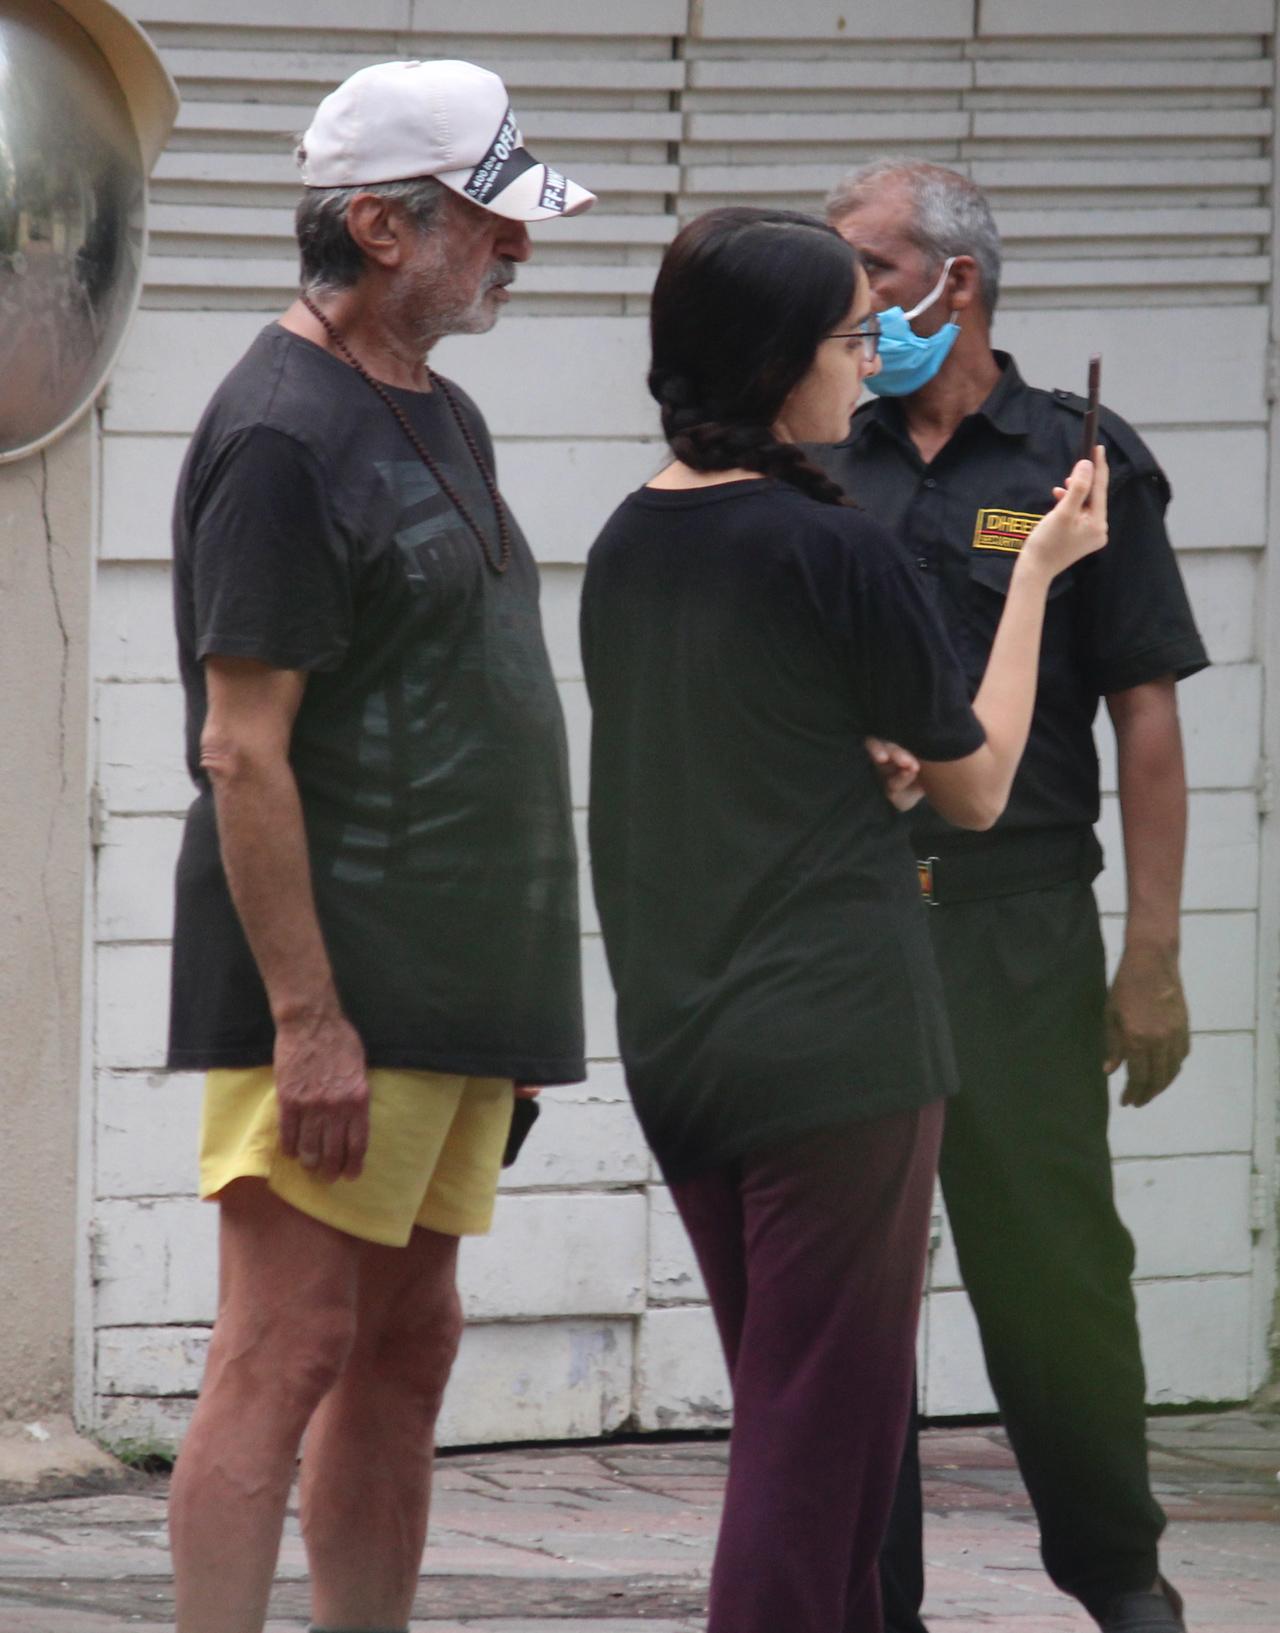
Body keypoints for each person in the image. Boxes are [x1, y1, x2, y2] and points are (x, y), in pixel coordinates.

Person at [580, 205, 1108, 1633]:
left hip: (684, 1041)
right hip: (841, 1044)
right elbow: (983, 785)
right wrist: (1043, 574)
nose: (866, 356)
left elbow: (739, 764)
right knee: (817, 1461)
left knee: (813, 1425)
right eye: (846, 334)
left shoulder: (629, 540)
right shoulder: (833, 543)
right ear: (776, 360)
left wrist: (862, 758)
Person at [164, 59, 591, 1633]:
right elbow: (242, 746)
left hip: (453, 985)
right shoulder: (280, 433)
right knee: (287, 1347)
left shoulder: (440, 407)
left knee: (411, 1341)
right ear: (379, 225)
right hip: (335, 983)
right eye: (491, 221)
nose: (518, 252)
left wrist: (513, 992)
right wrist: (307, 1020)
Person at [817, 159, 1208, 1633]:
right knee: (855, 1289)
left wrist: (1153, 956)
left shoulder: (1079, 460)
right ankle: (876, 1595)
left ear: (952, 281)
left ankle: (1119, 1576)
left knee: (1052, 1265)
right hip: (855, 924)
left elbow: (1147, 717)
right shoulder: (823, 454)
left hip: (1021, 923)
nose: (844, 294)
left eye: (862, 263)